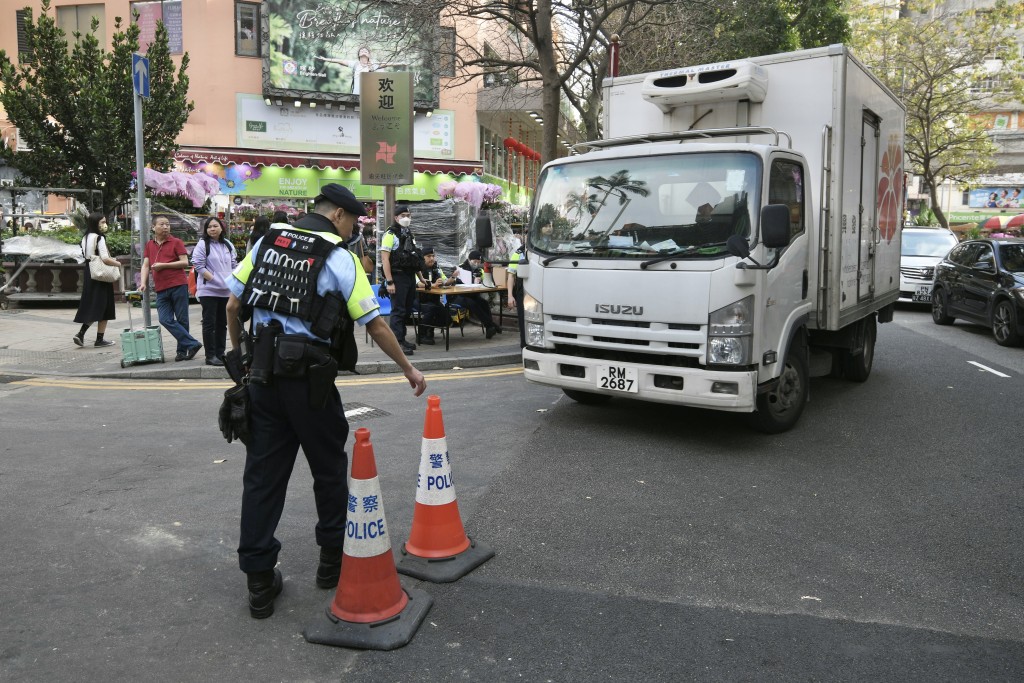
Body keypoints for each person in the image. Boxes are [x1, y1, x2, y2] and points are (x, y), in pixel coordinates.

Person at [225, 183, 426, 619]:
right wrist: (408, 369)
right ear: (337, 215)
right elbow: (374, 324)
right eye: (353, 221)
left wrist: (240, 358)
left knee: (262, 476)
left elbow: (231, 305)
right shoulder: (340, 258)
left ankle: (259, 582)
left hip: (261, 375)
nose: (354, 230)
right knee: (329, 469)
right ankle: (330, 564)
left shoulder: (266, 243)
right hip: (310, 383)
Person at [139, 216, 202, 361]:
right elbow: (146, 265)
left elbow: (184, 262)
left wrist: (163, 265)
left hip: (178, 285)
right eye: (162, 224)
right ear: (153, 227)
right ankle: (192, 343)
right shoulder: (149, 245)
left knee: (182, 320)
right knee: (164, 319)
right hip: (161, 288)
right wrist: (143, 283)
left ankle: (182, 351)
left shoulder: (176, 242)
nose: (166, 227)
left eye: (168, 224)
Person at [191, 217, 237, 366]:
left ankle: (220, 353)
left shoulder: (228, 244)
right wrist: (216, 280)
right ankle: (210, 356)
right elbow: (199, 266)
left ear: (221, 228)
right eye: (209, 227)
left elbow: (234, 264)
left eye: (215, 226)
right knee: (209, 324)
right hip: (208, 290)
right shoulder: (203, 244)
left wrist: (232, 282)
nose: (212, 229)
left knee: (222, 323)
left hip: (226, 291)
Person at [72, 212, 119, 348]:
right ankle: (98, 339)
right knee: (104, 306)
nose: (105, 225)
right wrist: (117, 264)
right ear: (95, 224)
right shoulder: (99, 238)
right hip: (101, 274)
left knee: (94, 304)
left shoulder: (85, 238)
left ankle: (82, 334)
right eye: (102, 223)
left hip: (90, 272)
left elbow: (86, 256)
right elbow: (104, 258)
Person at [379, 202, 420, 354]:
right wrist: (389, 281)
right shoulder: (390, 235)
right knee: (398, 311)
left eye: (408, 216)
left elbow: (415, 258)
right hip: (397, 277)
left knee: (407, 309)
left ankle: (402, 339)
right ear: (396, 218)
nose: (406, 218)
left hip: (409, 276)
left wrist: (421, 279)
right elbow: (385, 260)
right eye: (403, 216)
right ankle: (396, 344)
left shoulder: (408, 233)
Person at [316, 47, 404, 95]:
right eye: (361, 51)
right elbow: (340, 61)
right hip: (356, 95)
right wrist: (325, 59)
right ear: (359, 55)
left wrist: (401, 63)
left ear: (369, 55)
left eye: (366, 51)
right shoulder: (355, 64)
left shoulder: (374, 64)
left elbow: (387, 63)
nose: (363, 51)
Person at [455, 250, 501, 339]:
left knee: (484, 303)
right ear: (469, 259)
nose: (476, 264)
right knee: (473, 304)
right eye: (474, 261)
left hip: (473, 295)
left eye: (478, 262)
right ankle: (491, 325)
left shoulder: (479, 269)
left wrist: (482, 281)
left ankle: (489, 328)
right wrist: (472, 281)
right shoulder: (461, 268)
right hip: (460, 295)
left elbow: (486, 281)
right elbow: (457, 283)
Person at [415, 246, 455, 345]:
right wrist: (433, 285)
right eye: (429, 256)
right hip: (418, 299)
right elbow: (418, 283)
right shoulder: (417, 267)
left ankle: (428, 329)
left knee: (448, 320)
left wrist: (452, 278)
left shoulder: (436, 268)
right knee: (431, 308)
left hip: (433, 299)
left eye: (433, 256)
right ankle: (421, 335)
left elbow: (444, 281)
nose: (432, 258)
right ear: (423, 257)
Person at [507, 238, 527, 349]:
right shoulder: (519, 253)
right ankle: (524, 346)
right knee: (523, 319)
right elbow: (511, 275)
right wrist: (510, 296)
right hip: (523, 291)